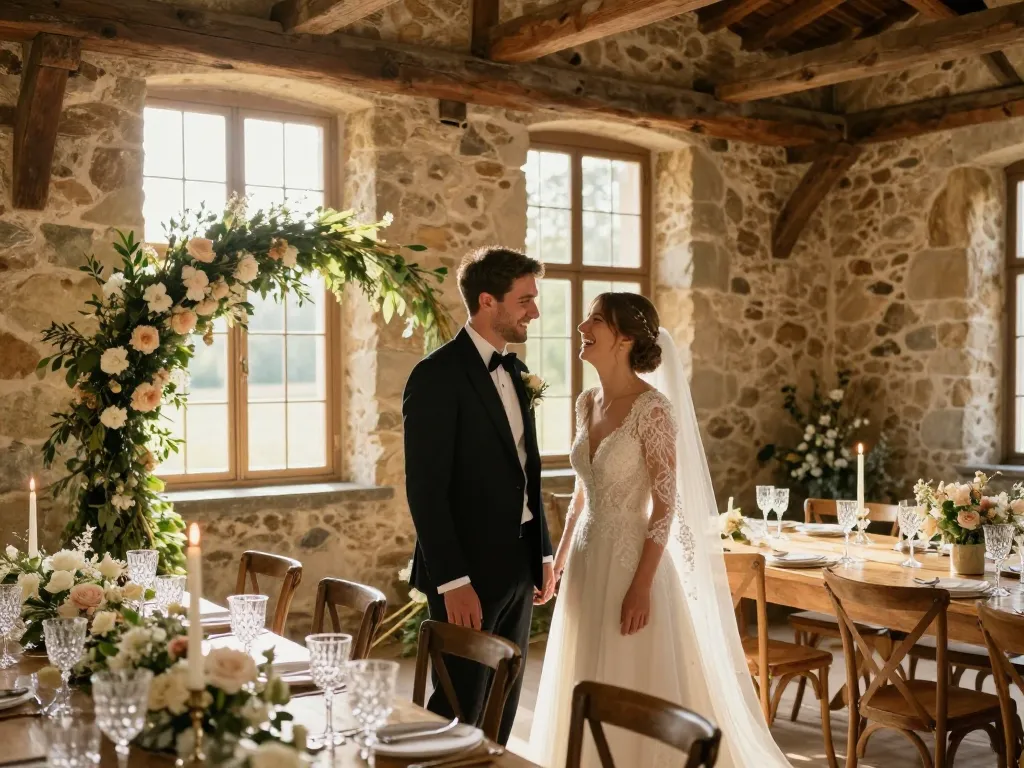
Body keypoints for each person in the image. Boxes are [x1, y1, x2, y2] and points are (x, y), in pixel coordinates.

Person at [528, 292, 791, 767]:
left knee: (629, 677)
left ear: (624, 338)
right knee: (581, 670)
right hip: (588, 561)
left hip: (633, 563)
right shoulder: (586, 402)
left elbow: (665, 508)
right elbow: (581, 495)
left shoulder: (653, 410)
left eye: (596, 319)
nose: (582, 325)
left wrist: (641, 587)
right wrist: (558, 560)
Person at [403, 246, 556, 746]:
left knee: (502, 700)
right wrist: (452, 580)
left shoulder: (513, 372)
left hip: (518, 565)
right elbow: (426, 489)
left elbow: (526, 472)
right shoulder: (435, 376)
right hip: (465, 571)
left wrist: (544, 551)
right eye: (525, 299)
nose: (534, 310)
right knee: (457, 703)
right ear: (487, 301)